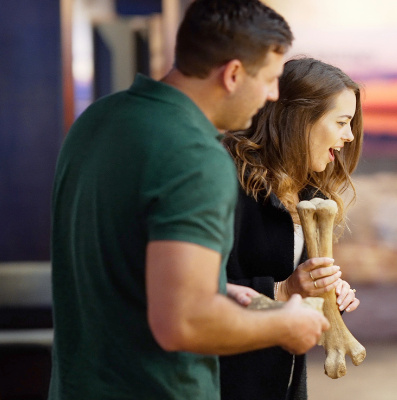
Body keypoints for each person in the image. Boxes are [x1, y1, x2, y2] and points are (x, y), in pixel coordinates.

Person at [50, 1, 329, 399]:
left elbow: (121, 262)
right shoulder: (196, 155)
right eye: (270, 79)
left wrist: (221, 289)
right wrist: (287, 325)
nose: (272, 96)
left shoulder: (98, 120)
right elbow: (184, 323)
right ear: (232, 74)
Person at [220, 57, 363, 400]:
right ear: (301, 119)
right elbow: (190, 292)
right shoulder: (225, 181)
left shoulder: (307, 192)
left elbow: (290, 294)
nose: (350, 136)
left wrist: (325, 293)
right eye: (342, 122)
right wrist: (283, 291)